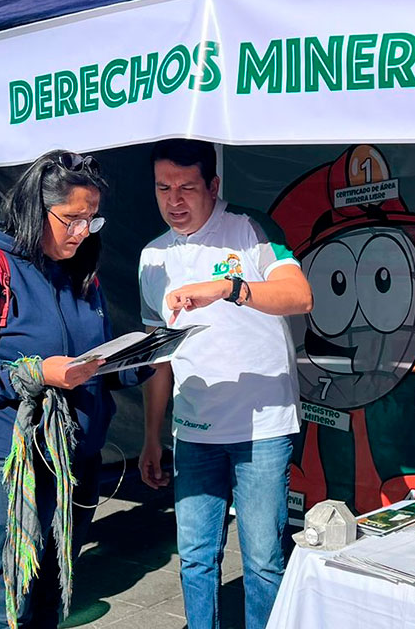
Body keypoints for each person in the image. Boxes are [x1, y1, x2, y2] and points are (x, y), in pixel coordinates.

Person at [0, 150, 149, 629]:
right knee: (7, 600)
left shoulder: (82, 277)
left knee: (54, 593)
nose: (82, 232)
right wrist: (35, 374)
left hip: (78, 460)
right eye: (71, 219)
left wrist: (142, 360)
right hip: (15, 463)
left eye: (92, 219)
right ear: (35, 210)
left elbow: (91, 364)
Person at [137, 139, 313, 629]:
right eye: (163, 187)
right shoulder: (152, 256)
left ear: (213, 185)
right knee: (194, 558)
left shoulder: (250, 230)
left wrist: (228, 288)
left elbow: (300, 296)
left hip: (262, 428)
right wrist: (152, 435)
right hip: (192, 431)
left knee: (261, 562)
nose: (174, 200)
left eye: (187, 187)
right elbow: (159, 356)